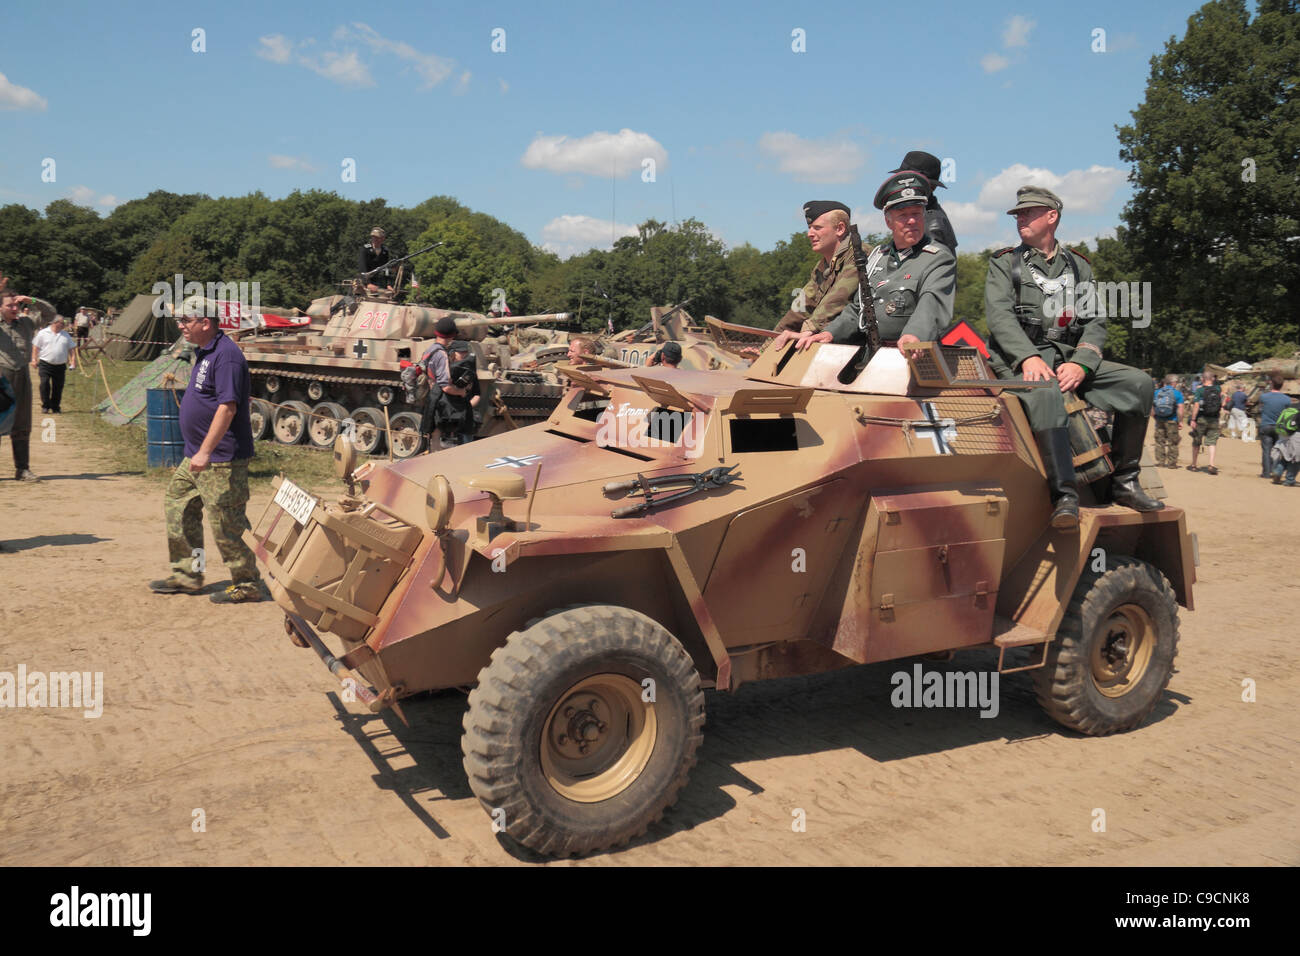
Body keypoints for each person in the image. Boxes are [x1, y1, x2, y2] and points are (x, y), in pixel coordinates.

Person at [984, 185, 1162, 529]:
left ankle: (1125, 482)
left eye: (1028, 212)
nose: (1020, 218)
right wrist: (1027, 358)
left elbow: (1095, 320)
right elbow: (999, 317)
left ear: (1051, 217)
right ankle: (1064, 495)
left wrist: (1082, 362)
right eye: (1018, 213)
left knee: (1138, 383)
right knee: (1048, 392)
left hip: (1067, 357)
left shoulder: (1078, 266)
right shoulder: (1005, 263)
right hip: (1017, 362)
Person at [149, 308, 264, 603]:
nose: (180, 326)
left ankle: (248, 584)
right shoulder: (204, 351)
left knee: (227, 523)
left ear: (206, 323)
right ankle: (190, 574)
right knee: (179, 506)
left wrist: (205, 451)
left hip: (221, 459)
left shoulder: (227, 356)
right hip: (196, 457)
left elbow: (228, 408)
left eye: (186, 321)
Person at [782, 171, 956, 353]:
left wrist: (915, 334)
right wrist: (830, 333)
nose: (911, 220)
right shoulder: (877, 256)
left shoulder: (938, 258)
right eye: (903, 215)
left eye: (917, 213)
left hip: (913, 355)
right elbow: (858, 308)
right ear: (889, 222)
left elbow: (932, 303)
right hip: (870, 356)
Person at [772, 201, 859, 335]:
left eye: (817, 228)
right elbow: (801, 307)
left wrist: (806, 331)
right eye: (810, 228)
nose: (809, 234)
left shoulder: (858, 256)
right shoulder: (823, 267)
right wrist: (769, 344)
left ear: (840, 229)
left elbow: (838, 299)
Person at [0, 279, 39, 481]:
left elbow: (50, 314)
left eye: (17, 305)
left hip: (22, 375)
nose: (15, 308)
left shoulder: (25, 323)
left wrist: (30, 300)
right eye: (10, 305)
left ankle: (22, 469)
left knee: (22, 424)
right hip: (2, 376)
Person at [887, 150, 958, 252]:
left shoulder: (931, 224)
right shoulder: (923, 218)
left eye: (910, 181)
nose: (903, 186)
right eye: (902, 180)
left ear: (931, 187)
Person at [419, 315, 470, 450]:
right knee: (440, 441)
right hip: (440, 401)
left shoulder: (429, 350)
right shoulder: (441, 354)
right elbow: (446, 387)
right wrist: (461, 392)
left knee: (433, 437)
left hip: (431, 397)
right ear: (451, 336)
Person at [31, 316, 78, 414]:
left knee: (58, 387)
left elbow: (72, 349)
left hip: (60, 365)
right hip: (45, 363)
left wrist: (73, 360)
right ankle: (45, 405)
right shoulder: (43, 333)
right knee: (44, 384)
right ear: (55, 323)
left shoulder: (65, 335)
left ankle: (55, 407)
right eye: (61, 323)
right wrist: (34, 359)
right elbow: (35, 347)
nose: (63, 324)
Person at [1257, 374, 1295, 478]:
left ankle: (1266, 473)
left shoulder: (1264, 397)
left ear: (1272, 384)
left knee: (1266, 450)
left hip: (1266, 426)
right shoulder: (1287, 399)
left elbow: (1259, 410)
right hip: (1279, 428)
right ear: (1282, 385)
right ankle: (1274, 470)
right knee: (1277, 450)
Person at [1187, 371, 1222, 474]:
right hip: (1214, 418)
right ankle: (1211, 464)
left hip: (1202, 418)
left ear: (1202, 379)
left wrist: (1193, 419)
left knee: (1197, 441)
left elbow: (1196, 406)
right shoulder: (1217, 389)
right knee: (1212, 442)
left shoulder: (1200, 390)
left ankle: (1194, 464)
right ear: (1213, 379)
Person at [1151, 373, 1185, 468]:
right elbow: (1180, 408)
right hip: (1172, 420)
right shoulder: (1177, 393)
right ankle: (1172, 463)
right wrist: (1180, 421)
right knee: (1173, 442)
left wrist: (1155, 417)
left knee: (1159, 441)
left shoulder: (1156, 392)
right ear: (1173, 383)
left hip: (1159, 420)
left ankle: (1160, 462)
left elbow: (1151, 406)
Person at [1269, 401, 1300, 485]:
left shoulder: (1293, 405)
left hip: (1285, 433)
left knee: (1286, 456)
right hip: (1297, 435)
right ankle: (1289, 480)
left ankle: (1278, 472)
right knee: (1296, 459)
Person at [358, 227, 396, 293]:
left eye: (377, 237)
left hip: (379, 282)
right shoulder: (365, 249)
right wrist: (367, 283)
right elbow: (362, 267)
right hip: (365, 281)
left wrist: (388, 284)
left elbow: (386, 268)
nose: (374, 239)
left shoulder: (385, 251)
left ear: (382, 239)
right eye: (373, 237)